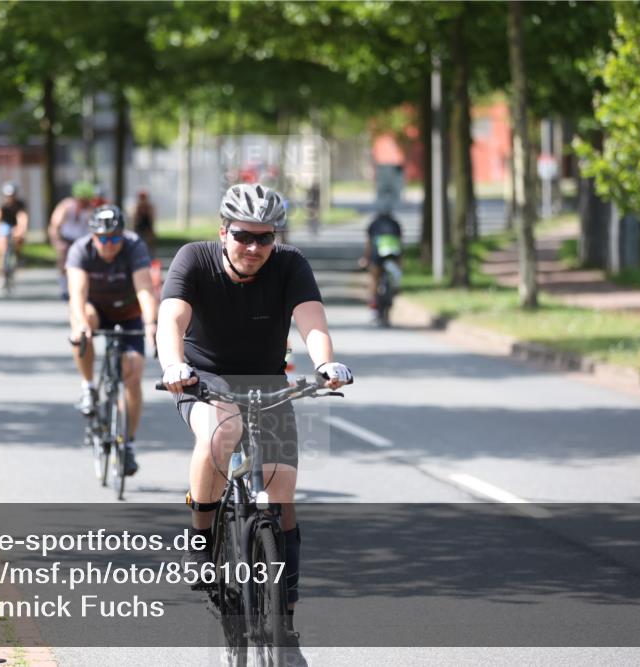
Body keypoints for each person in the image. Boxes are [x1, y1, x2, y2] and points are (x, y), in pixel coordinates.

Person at [157, 183, 353, 656]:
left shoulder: (290, 264)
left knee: (281, 486)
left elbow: (313, 323)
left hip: (266, 379)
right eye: (244, 236)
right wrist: (172, 366)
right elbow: (171, 319)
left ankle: (284, 609)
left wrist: (325, 363)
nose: (253, 247)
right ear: (223, 231)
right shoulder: (194, 259)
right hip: (202, 378)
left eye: (265, 238)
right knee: (222, 433)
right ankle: (202, 538)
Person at [68, 205, 158, 477]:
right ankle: (88, 386)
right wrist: (82, 325)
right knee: (81, 328)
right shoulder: (81, 250)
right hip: (95, 308)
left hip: (128, 313)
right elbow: (77, 294)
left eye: (114, 238)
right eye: (103, 238)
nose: (108, 244)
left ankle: (127, 443)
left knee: (133, 373)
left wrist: (151, 324)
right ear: (93, 236)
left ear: (122, 235)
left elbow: (144, 289)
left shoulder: (134, 247)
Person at [49, 181, 97, 300]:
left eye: (87, 200)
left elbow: (96, 229)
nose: (84, 203)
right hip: (67, 239)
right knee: (63, 259)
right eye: (82, 200)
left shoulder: (91, 210)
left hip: (84, 240)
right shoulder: (66, 206)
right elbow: (54, 225)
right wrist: (57, 243)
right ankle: (65, 288)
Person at [359, 207, 403, 322]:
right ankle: (396, 287)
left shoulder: (373, 224)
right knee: (395, 274)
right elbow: (400, 242)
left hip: (377, 254)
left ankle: (373, 306)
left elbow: (369, 244)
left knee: (374, 278)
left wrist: (365, 258)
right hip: (393, 253)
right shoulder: (395, 224)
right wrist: (400, 262)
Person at [0, 182, 29, 274]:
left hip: (15, 224)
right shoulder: (0, 203)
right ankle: (1, 271)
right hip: (4, 224)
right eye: (8, 195)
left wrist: (22, 229)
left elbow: (22, 217)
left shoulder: (20, 204)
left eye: (12, 195)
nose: (10, 198)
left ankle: (17, 256)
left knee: (19, 238)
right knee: (1, 247)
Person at [131, 189, 157, 257]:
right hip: (139, 229)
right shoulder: (137, 207)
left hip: (147, 229)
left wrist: (151, 231)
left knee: (149, 247)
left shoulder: (149, 207)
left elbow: (152, 220)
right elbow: (134, 220)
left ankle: (150, 259)